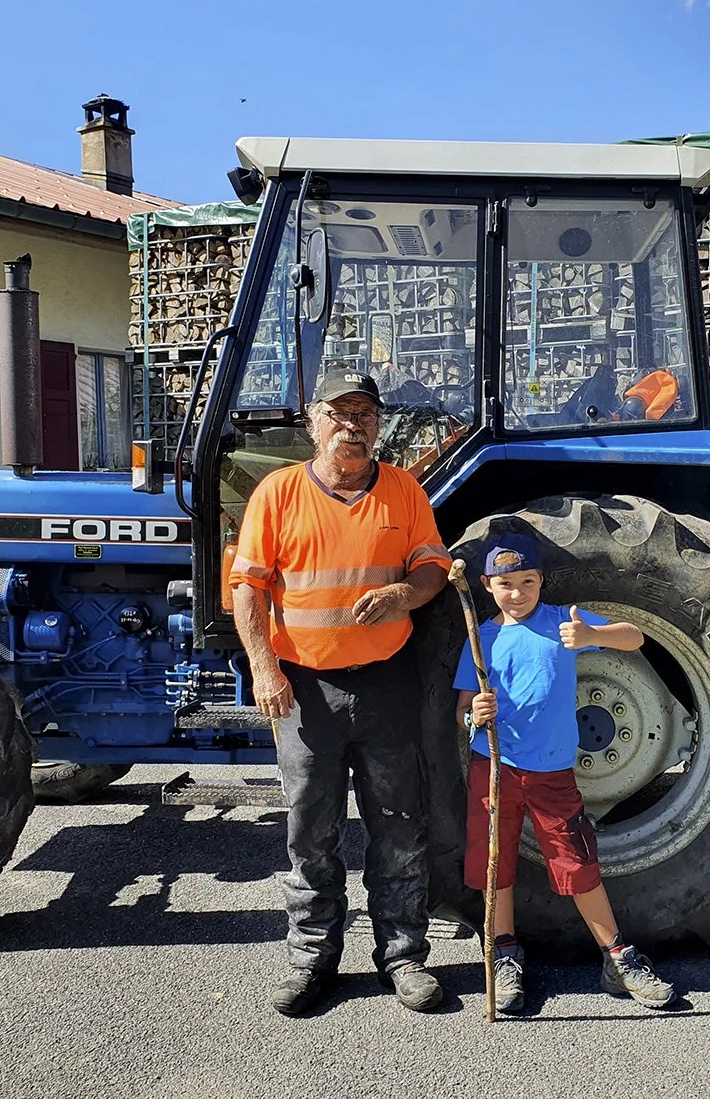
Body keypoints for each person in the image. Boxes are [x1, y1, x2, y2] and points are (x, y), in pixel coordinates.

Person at [229, 368, 451, 1017]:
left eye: (365, 415)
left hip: (385, 684)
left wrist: (405, 594)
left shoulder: (404, 491)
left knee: (399, 830)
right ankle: (311, 962)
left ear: (378, 426)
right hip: (305, 693)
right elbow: (249, 587)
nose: (352, 426)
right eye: (340, 413)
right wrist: (266, 671)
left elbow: (432, 566)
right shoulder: (277, 493)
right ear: (313, 421)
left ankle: (403, 958)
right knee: (310, 834)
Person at [453, 536, 676, 1013]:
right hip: (493, 767)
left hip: (553, 774)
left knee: (576, 862)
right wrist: (476, 712)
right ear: (488, 586)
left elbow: (634, 636)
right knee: (496, 861)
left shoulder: (563, 620)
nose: (518, 592)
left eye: (528, 582)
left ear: (541, 581)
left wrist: (594, 637)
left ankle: (618, 958)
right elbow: (461, 712)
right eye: (506, 584)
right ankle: (504, 955)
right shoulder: (481, 638)